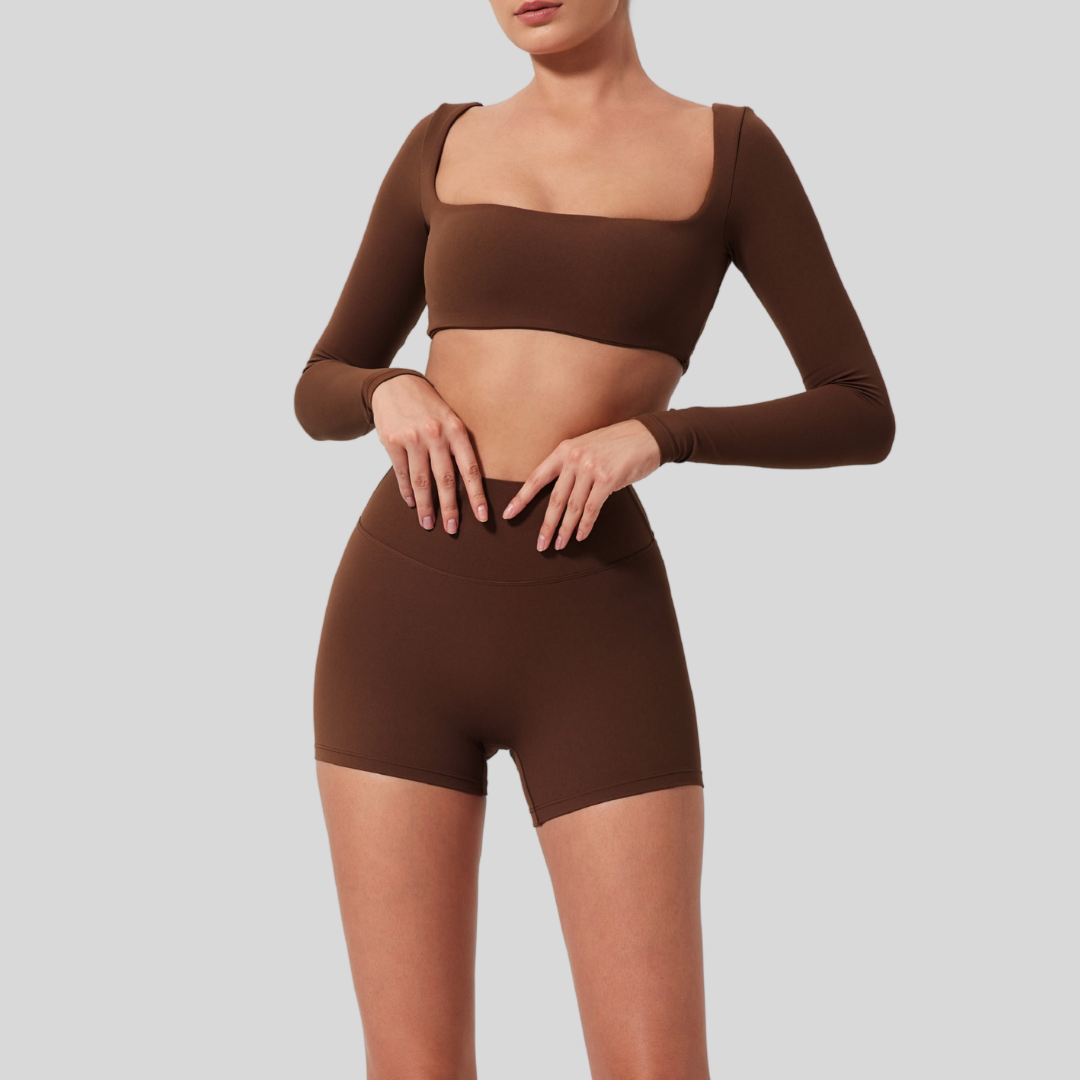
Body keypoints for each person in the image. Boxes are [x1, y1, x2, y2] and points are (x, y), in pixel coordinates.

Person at [294, 0, 894, 1076]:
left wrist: (661, 436)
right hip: (397, 618)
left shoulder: (730, 153)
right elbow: (318, 384)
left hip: (595, 630)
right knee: (413, 1064)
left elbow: (859, 409)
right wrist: (386, 388)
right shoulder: (441, 141)